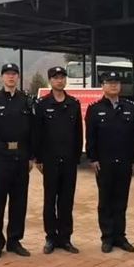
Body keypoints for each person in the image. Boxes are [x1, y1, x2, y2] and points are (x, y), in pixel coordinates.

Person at [85, 71, 134, 253]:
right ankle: (107, 237)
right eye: (109, 82)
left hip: (124, 162)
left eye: (116, 82)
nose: (113, 85)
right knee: (105, 201)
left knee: (121, 200)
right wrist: (93, 158)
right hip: (104, 163)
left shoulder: (129, 107)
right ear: (102, 86)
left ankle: (120, 237)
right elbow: (91, 137)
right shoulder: (95, 109)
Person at [0, 63, 35, 260]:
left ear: (18, 77)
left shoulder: (27, 100)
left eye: (14, 74)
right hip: (0, 157)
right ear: (1, 77)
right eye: (7, 74)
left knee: (19, 201)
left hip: (21, 156)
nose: (11, 77)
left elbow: (33, 131)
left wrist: (31, 156)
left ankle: (14, 240)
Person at [35, 66, 82, 254]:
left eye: (62, 77)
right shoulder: (42, 104)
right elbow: (38, 133)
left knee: (66, 200)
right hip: (50, 160)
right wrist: (39, 158)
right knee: (49, 200)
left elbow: (78, 133)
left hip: (69, 160)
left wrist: (77, 157)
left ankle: (65, 238)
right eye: (55, 78)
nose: (59, 80)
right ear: (50, 81)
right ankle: (50, 237)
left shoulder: (73, 104)